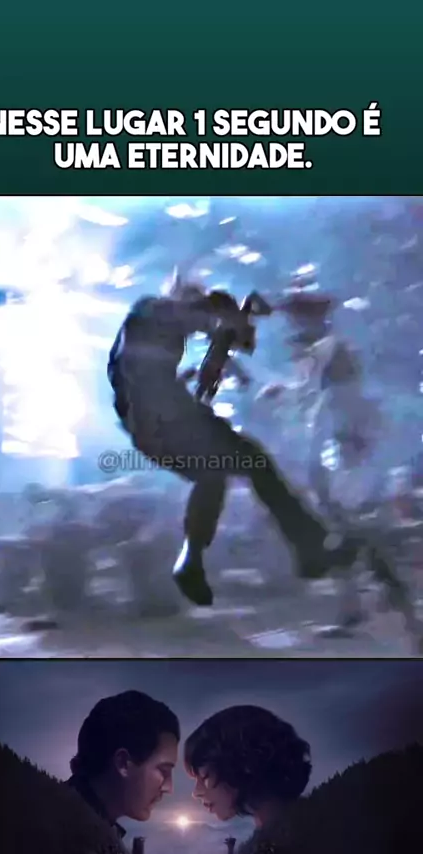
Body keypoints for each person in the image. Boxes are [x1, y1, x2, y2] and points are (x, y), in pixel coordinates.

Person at [107, 272, 361, 608]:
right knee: (245, 464)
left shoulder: (160, 334)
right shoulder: (151, 310)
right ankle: (308, 549)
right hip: (163, 422)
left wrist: (207, 366)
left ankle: (194, 561)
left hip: (163, 421)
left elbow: (148, 370)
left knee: (221, 474)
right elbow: (176, 331)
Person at [184, 705, 311, 854]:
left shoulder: (294, 841)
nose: (196, 792)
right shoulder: (288, 830)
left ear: (240, 767)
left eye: (204, 777)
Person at [67, 691, 180, 850]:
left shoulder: (69, 822)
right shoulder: (62, 837)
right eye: (163, 770)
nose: (169, 788)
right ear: (123, 763)